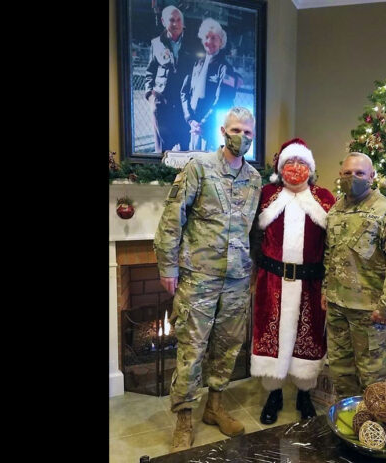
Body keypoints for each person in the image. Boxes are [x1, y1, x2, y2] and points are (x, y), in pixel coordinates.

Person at [154, 107, 262, 452]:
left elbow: (252, 232)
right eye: (235, 130)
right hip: (198, 277)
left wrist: (253, 272)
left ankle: (214, 407)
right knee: (191, 349)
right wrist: (168, 267)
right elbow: (173, 219)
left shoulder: (255, 180)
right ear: (221, 130)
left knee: (227, 347)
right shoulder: (198, 168)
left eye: (247, 132)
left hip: (236, 279)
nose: (241, 137)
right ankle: (184, 418)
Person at [249, 139, 336, 424]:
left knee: (307, 337)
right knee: (270, 336)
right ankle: (273, 394)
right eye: (289, 163)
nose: (295, 169)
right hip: (272, 281)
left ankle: (304, 394)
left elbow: (335, 243)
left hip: (310, 284)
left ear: (310, 168)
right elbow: (250, 233)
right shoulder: (267, 195)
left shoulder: (324, 199)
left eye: (301, 163)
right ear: (280, 167)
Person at [322, 152, 386, 398]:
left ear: (372, 177)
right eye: (347, 173)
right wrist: (325, 291)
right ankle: (349, 425)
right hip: (337, 308)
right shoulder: (335, 211)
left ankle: (376, 431)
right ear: (340, 176)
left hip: (372, 312)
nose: (353, 178)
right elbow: (330, 255)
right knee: (341, 375)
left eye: (360, 173)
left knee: (374, 382)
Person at [181, 18, 241, 152]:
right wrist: (190, 119)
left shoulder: (226, 68)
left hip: (211, 128)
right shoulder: (197, 64)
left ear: (221, 41)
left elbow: (223, 101)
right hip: (194, 128)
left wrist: (203, 123)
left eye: (214, 38)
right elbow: (184, 92)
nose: (209, 42)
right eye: (206, 37)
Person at [144, 5, 192, 153]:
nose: (176, 24)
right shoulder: (156, 43)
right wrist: (150, 95)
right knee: (163, 149)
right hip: (162, 103)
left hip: (184, 103)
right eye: (172, 20)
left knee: (185, 145)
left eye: (179, 20)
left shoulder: (193, 42)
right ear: (164, 21)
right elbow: (150, 72)